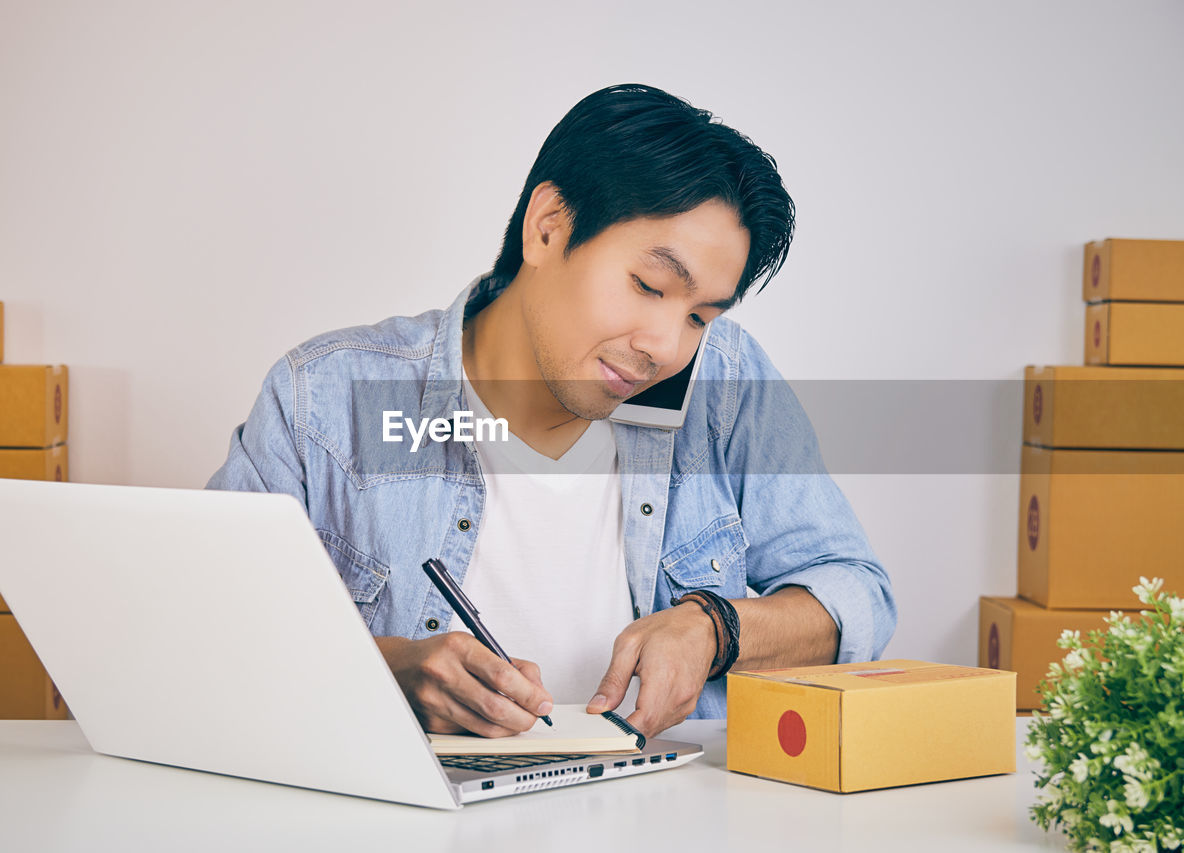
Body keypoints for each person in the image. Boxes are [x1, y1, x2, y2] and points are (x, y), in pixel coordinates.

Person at [206, 83, 896, 739]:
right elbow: (211, 631)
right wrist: (386, 667)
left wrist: (714, 626)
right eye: (650, 285)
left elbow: (854, 593)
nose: (665, 346)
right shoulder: (327, 396)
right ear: (547, 228)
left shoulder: (726, 382)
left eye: (699, 316)